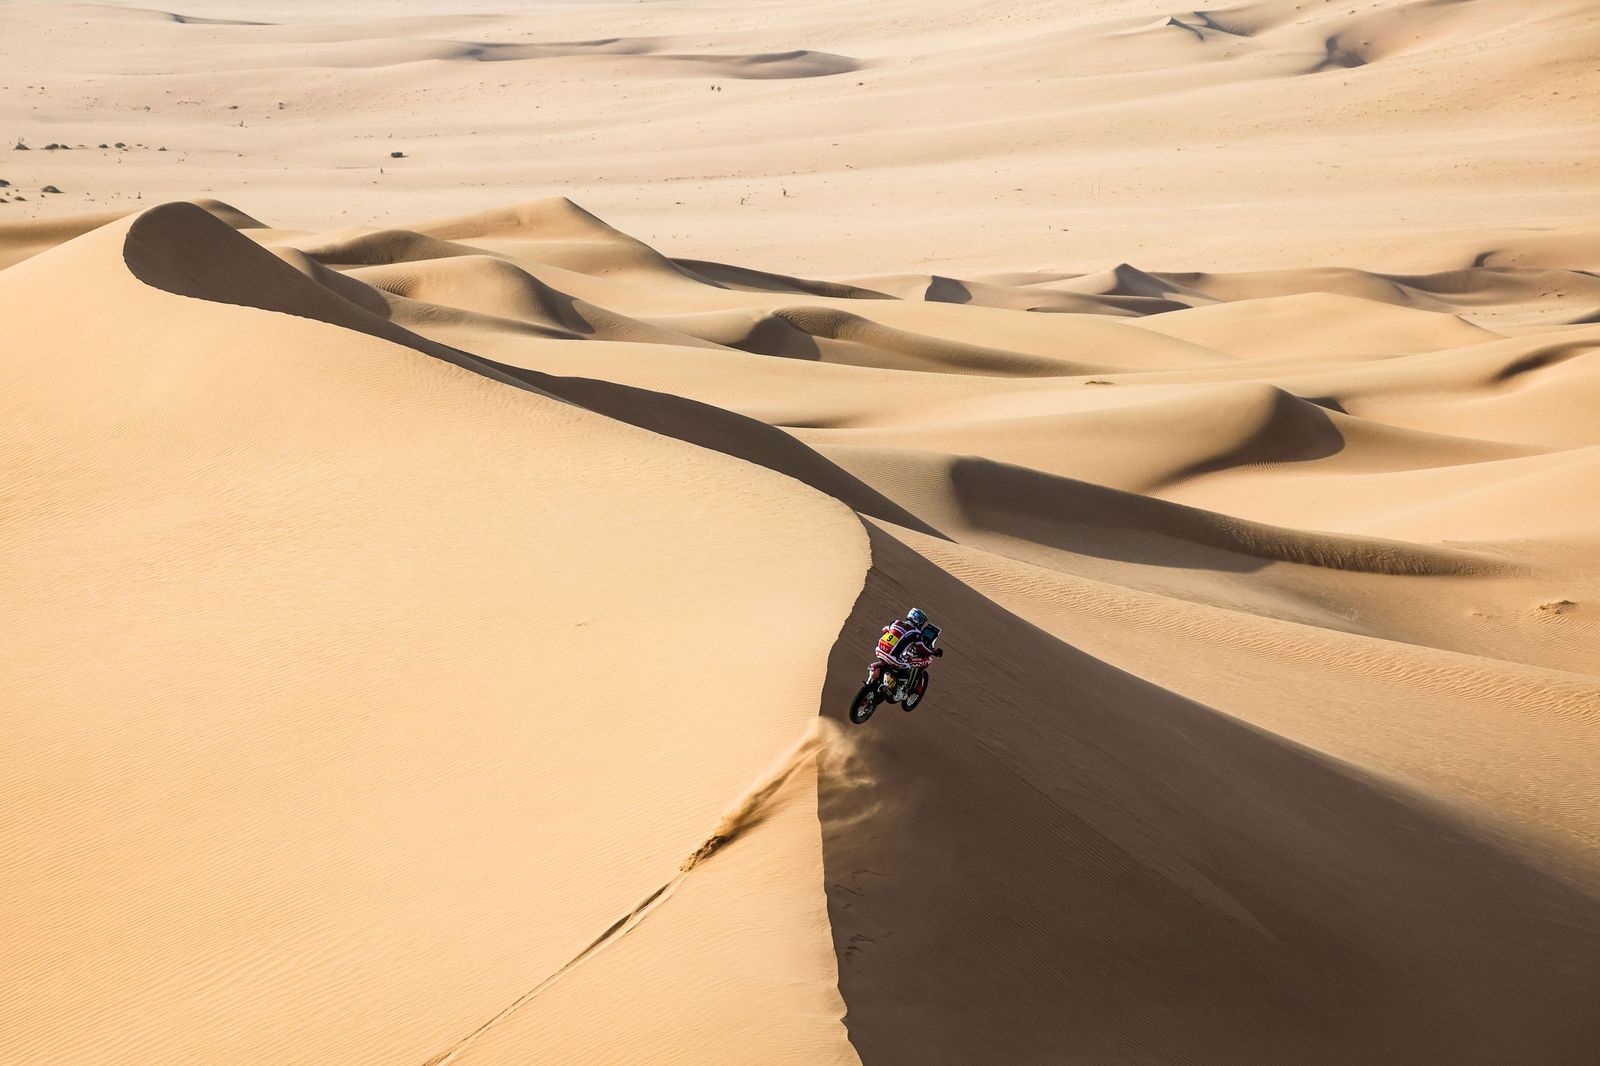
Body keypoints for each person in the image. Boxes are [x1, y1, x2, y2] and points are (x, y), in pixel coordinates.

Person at [876, 607, 944, 702]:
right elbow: (922, 648)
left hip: (879, 651)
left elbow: (884, 630)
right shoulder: (916, 633)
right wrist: (933, 652)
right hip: (892, 658)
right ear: (919, 621)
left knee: (898, 660)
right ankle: (899, 692)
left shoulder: (896, 622)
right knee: (906, 667)